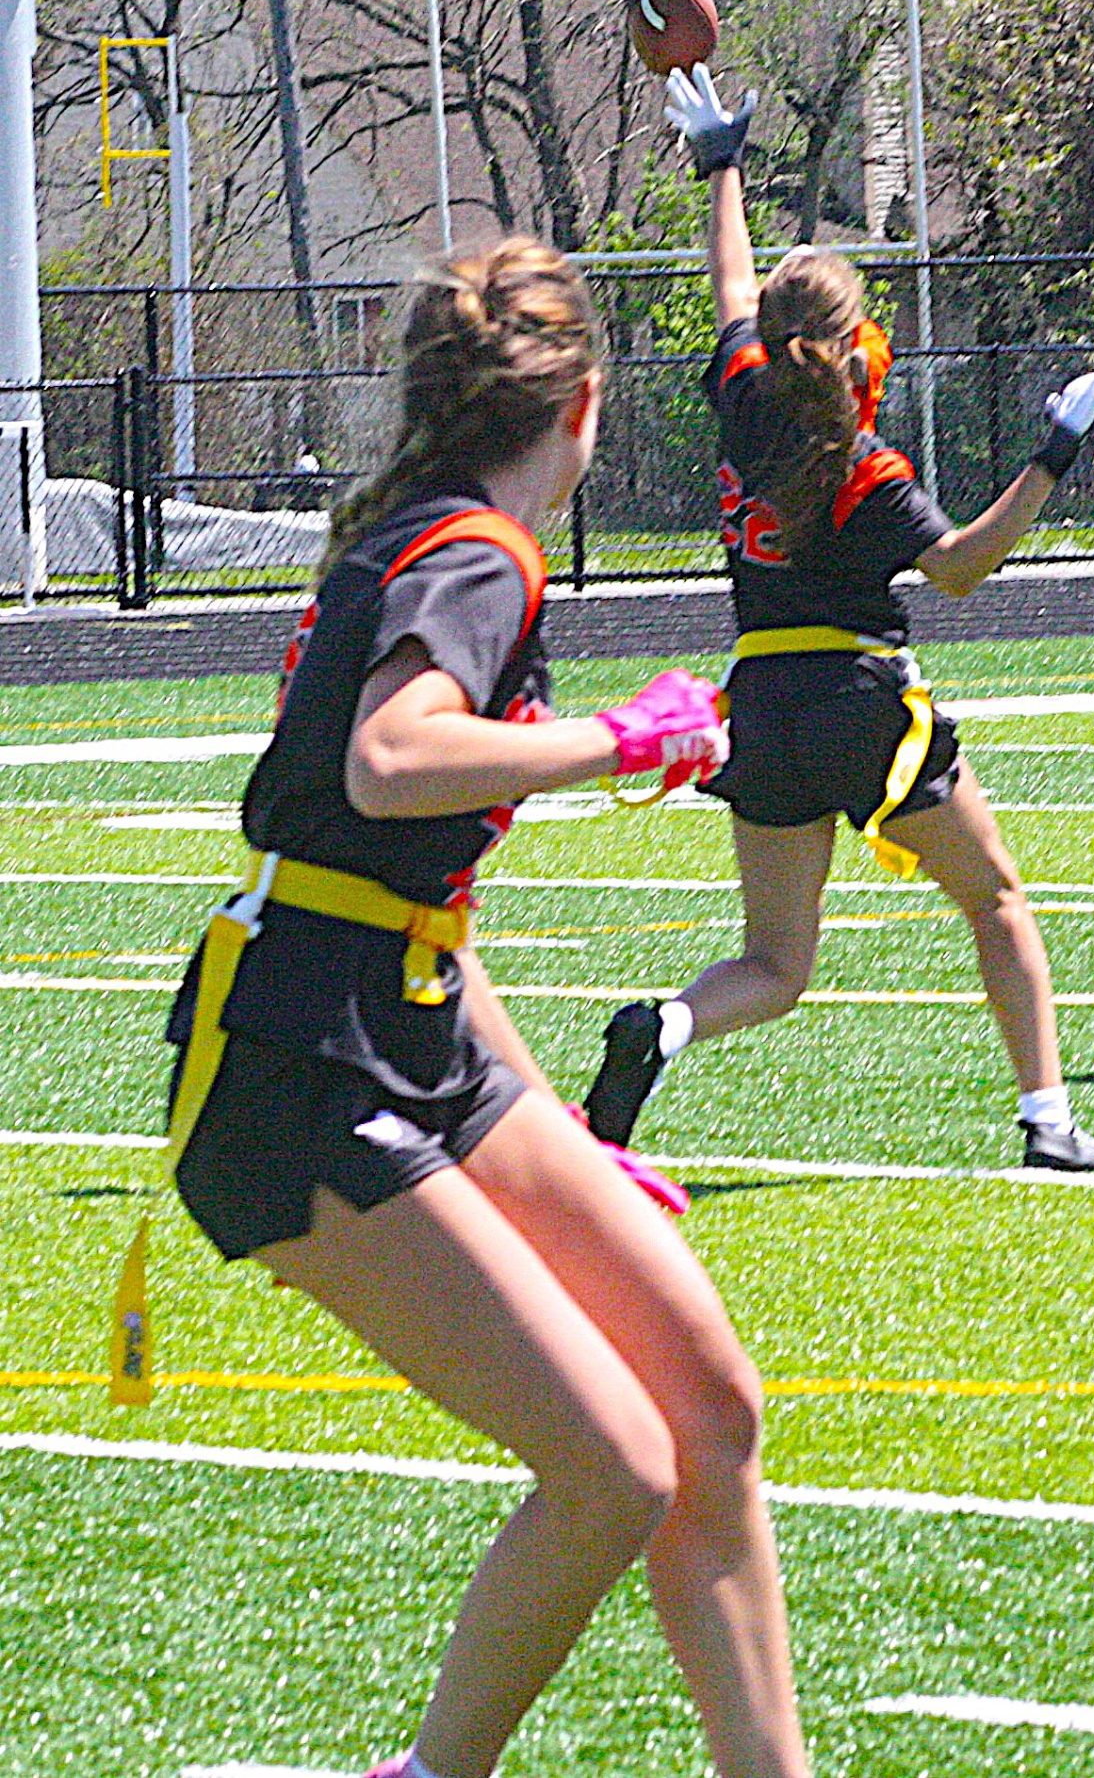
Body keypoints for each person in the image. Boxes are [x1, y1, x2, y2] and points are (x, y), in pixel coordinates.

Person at [161, 236, 812, 1778]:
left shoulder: (427, 532)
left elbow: (419, 911)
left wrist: (565, 1144)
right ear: (582, 407)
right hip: (296, 1062)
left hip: (407, 1020)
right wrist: (617, 742)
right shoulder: (480, 555)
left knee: (707, 1409)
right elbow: (396, 757)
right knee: (614, 1470)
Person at [580, 68, 1094, 1172]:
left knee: (775, 964)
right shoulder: (866, 467)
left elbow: (730, 286)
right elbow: (963, 570)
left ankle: (668, 1025)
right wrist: (1050, 458)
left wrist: (722, 165)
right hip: (861, 701)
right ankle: (1048, 1122)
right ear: (853, 346)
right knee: (997, 899)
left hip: (761, 704)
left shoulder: (744, 406)